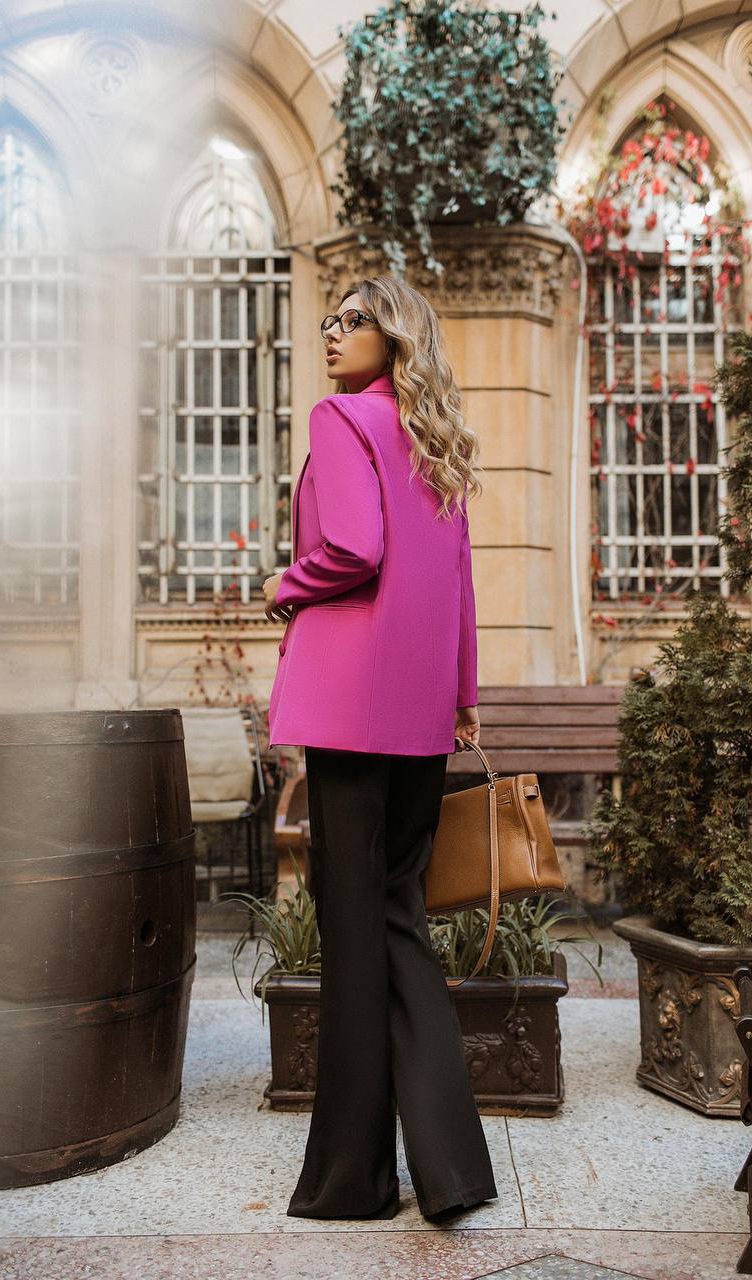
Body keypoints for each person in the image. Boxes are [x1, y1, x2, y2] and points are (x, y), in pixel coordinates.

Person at [262, 274, 498, 1222]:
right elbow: (462, 584)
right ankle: (450, 1171)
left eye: (351, 320)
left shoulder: (343, 419)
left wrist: (286, 582)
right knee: (395, 921)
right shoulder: (433, 440)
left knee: (357, 934)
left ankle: (352, 1180)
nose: (331, 332)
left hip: (353, 709)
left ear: (393, 335)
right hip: (417, 716)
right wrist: (463, 698)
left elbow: (352, 550)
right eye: (329, 318)